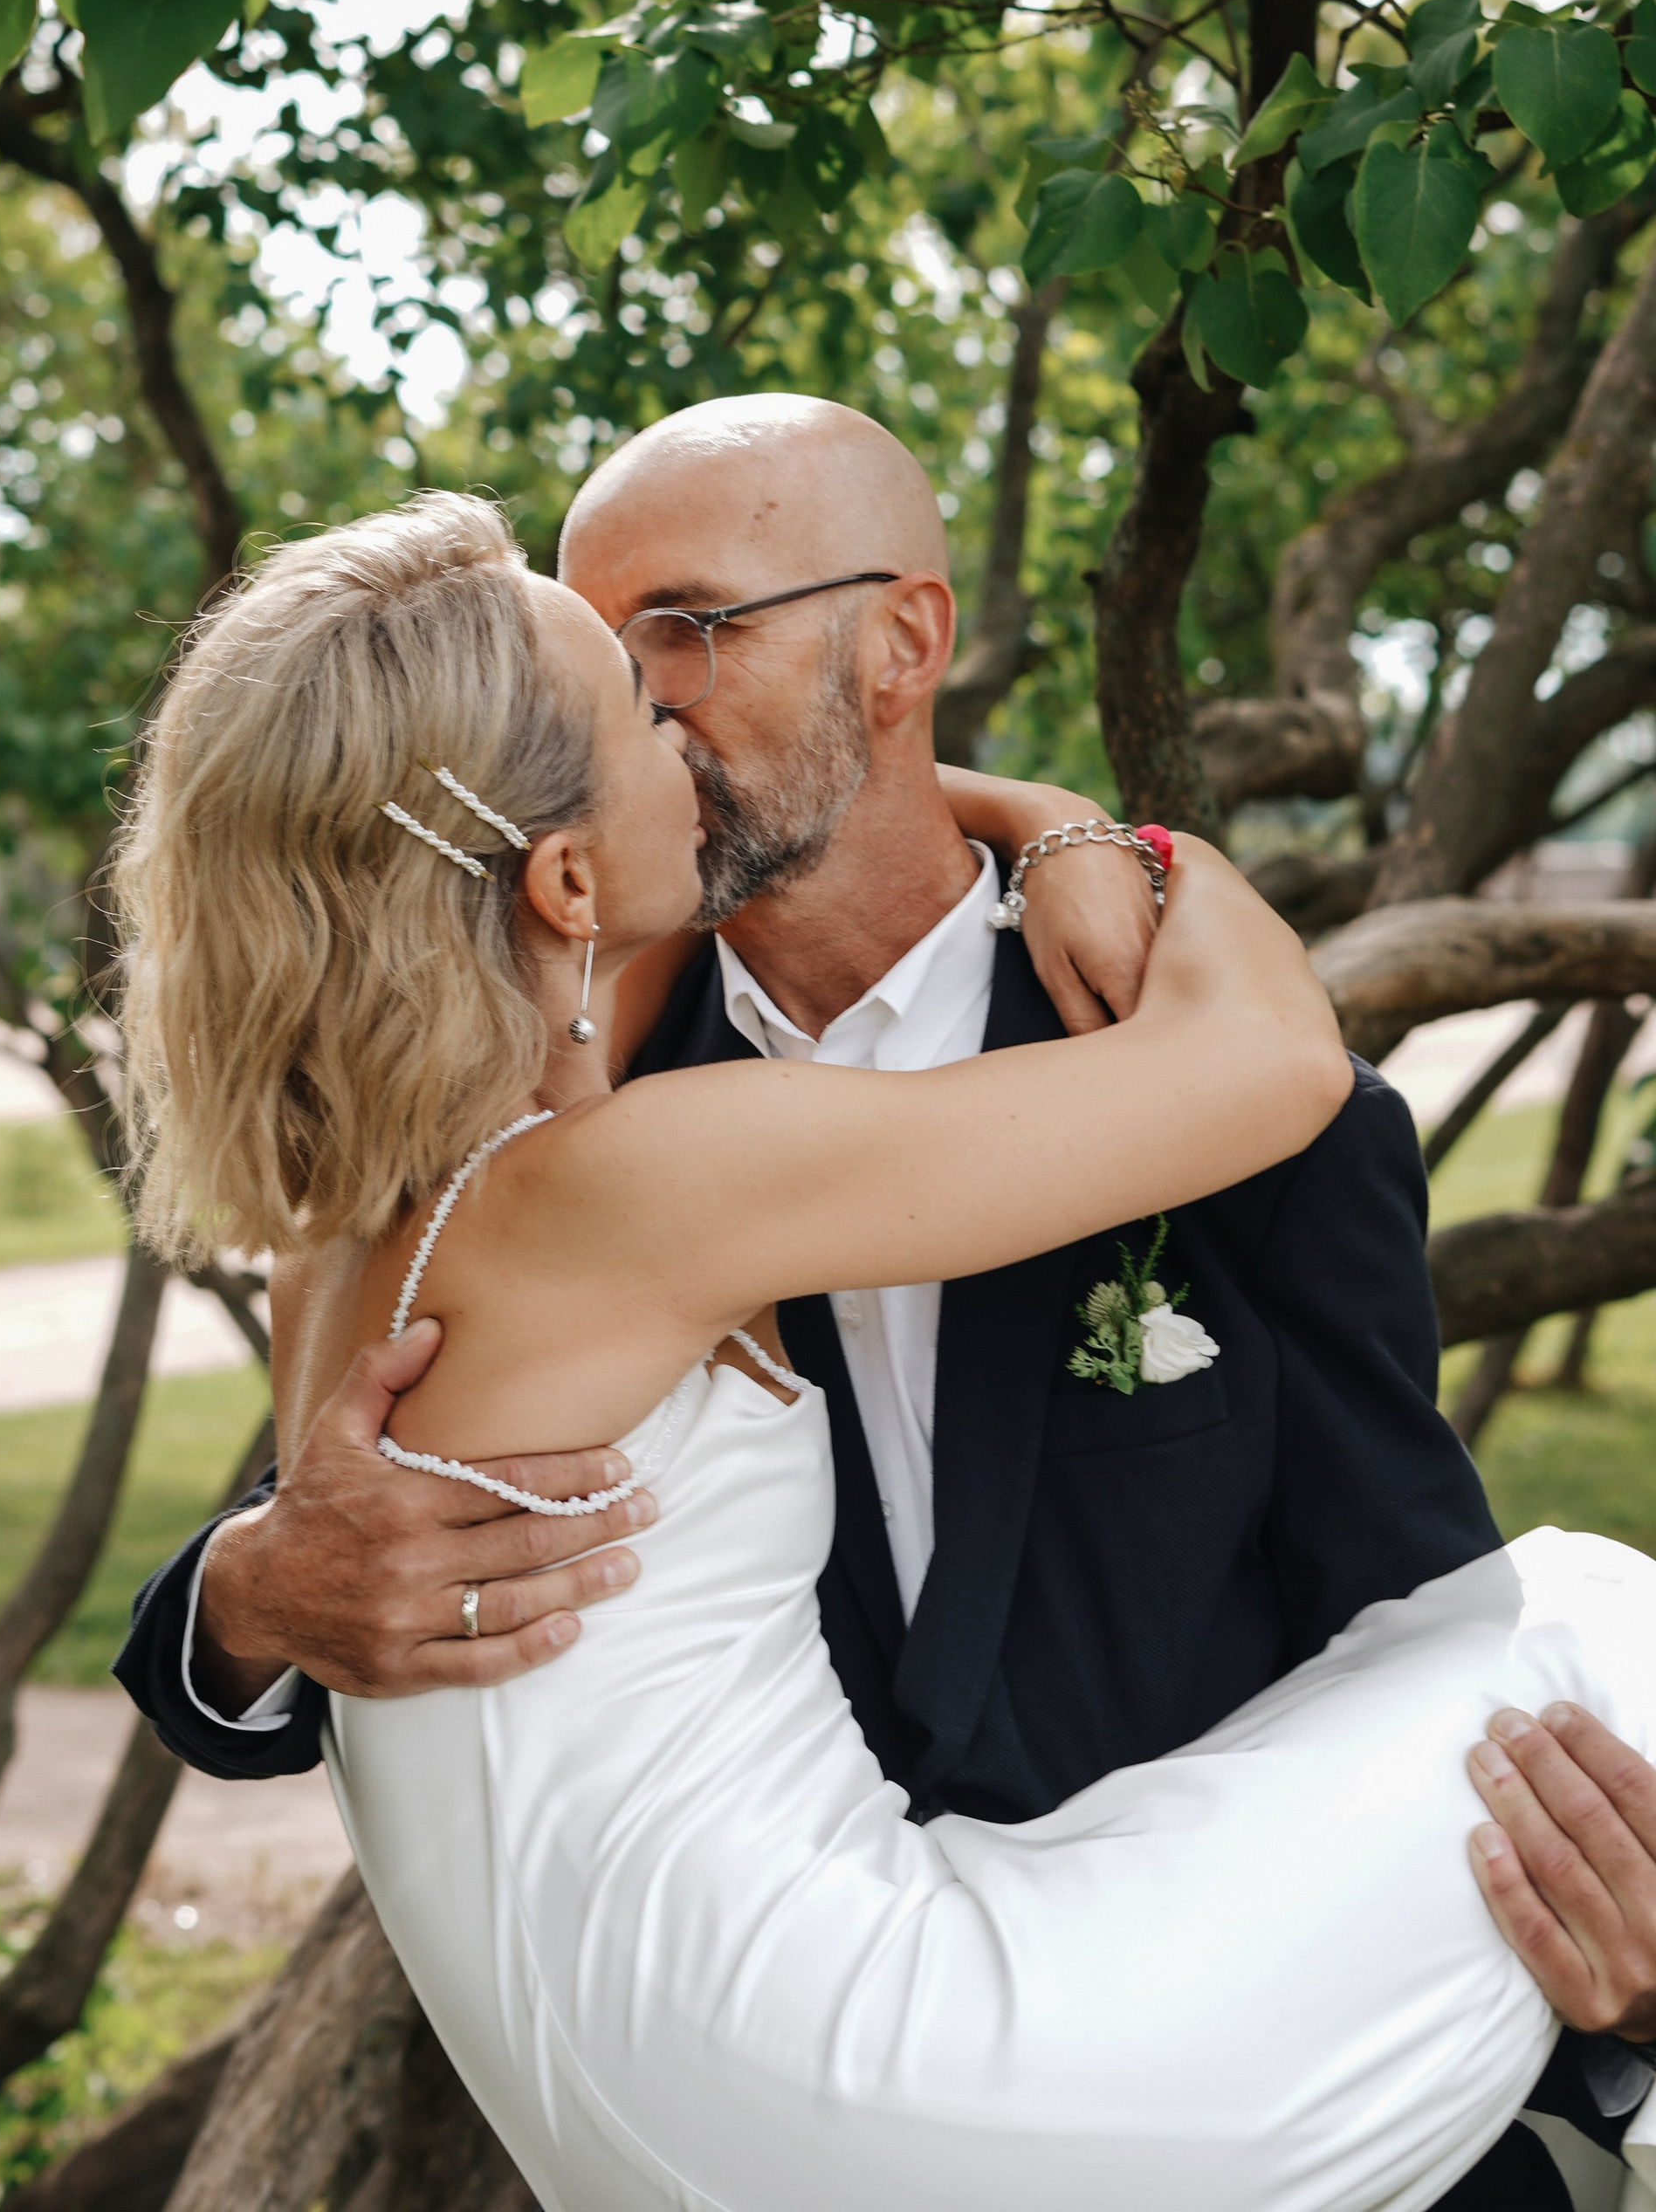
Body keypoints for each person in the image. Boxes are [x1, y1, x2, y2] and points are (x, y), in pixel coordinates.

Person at [119, 402, 1656, 2209]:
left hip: (1102, 2054)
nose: (657, 700)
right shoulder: (645, 1162)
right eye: (612, 671)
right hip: (916, 2074)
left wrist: (1618, 1998)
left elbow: (1410, 1609)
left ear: (904, 645)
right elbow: (1261, 1046)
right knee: (1606, 1603)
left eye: (687, 627)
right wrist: (238, 1592)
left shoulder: (386, 1196)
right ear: (558, 869)